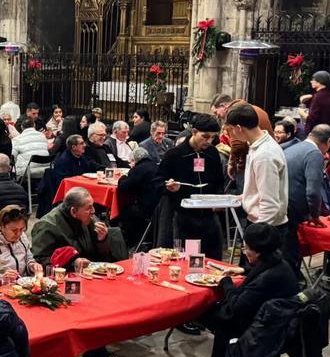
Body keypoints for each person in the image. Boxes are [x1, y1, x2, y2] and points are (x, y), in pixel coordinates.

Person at [201, 223, 301, 357]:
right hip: (283, 324)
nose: (245, 252)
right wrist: (244, 270)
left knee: (210, 314)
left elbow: (236, 307)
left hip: (266, 332)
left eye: (246, 248)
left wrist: (226, 282)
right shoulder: (281, 264)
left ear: (258, 252)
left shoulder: (266, 278)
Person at [155, 114, 226, 257]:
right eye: (205, 136)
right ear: (194, 132)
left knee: (211, 257)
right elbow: (158, 182)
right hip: (182, 216)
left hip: (208, 216)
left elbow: (219, 181)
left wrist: (219, 199)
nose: (209, 141)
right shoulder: (174, 154)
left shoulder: (212, 153)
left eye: (213, 137)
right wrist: (169, 186)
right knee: (185, 258)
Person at [225, 104, 289, 232]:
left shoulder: (264, 155)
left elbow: (269, 203)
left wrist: (258, 236)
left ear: (238, 128)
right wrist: (245, 196)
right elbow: (260, 189)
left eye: (230, 130)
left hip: (266, 225)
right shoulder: (257, 145)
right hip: (261, 221)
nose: (230, 135)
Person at [32, 186, 128, 265]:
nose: (93, 211)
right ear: (74, 211)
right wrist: (72, 263)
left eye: (93, 206)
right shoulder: (47, 226)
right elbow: (39, 261)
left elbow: (103, 255)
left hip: (91, 270)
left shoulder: (89, 218)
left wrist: (102, 240)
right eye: (89, 208)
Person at [284, 125, 330, 267]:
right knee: (291, 253)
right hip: (294, 208)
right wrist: (315, 214)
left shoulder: (292, 147)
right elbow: (312, 191)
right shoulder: (314, 154)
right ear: (329, 141)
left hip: (282, 203)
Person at [117, 146, 159, 249]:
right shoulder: (155, 165)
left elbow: (124, 188)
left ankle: (132, 241)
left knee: (123, 211)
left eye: (131, 162)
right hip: (158, 207)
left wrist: (123, 177)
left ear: (135, 160)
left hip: (147, 209)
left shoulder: (138, 169)